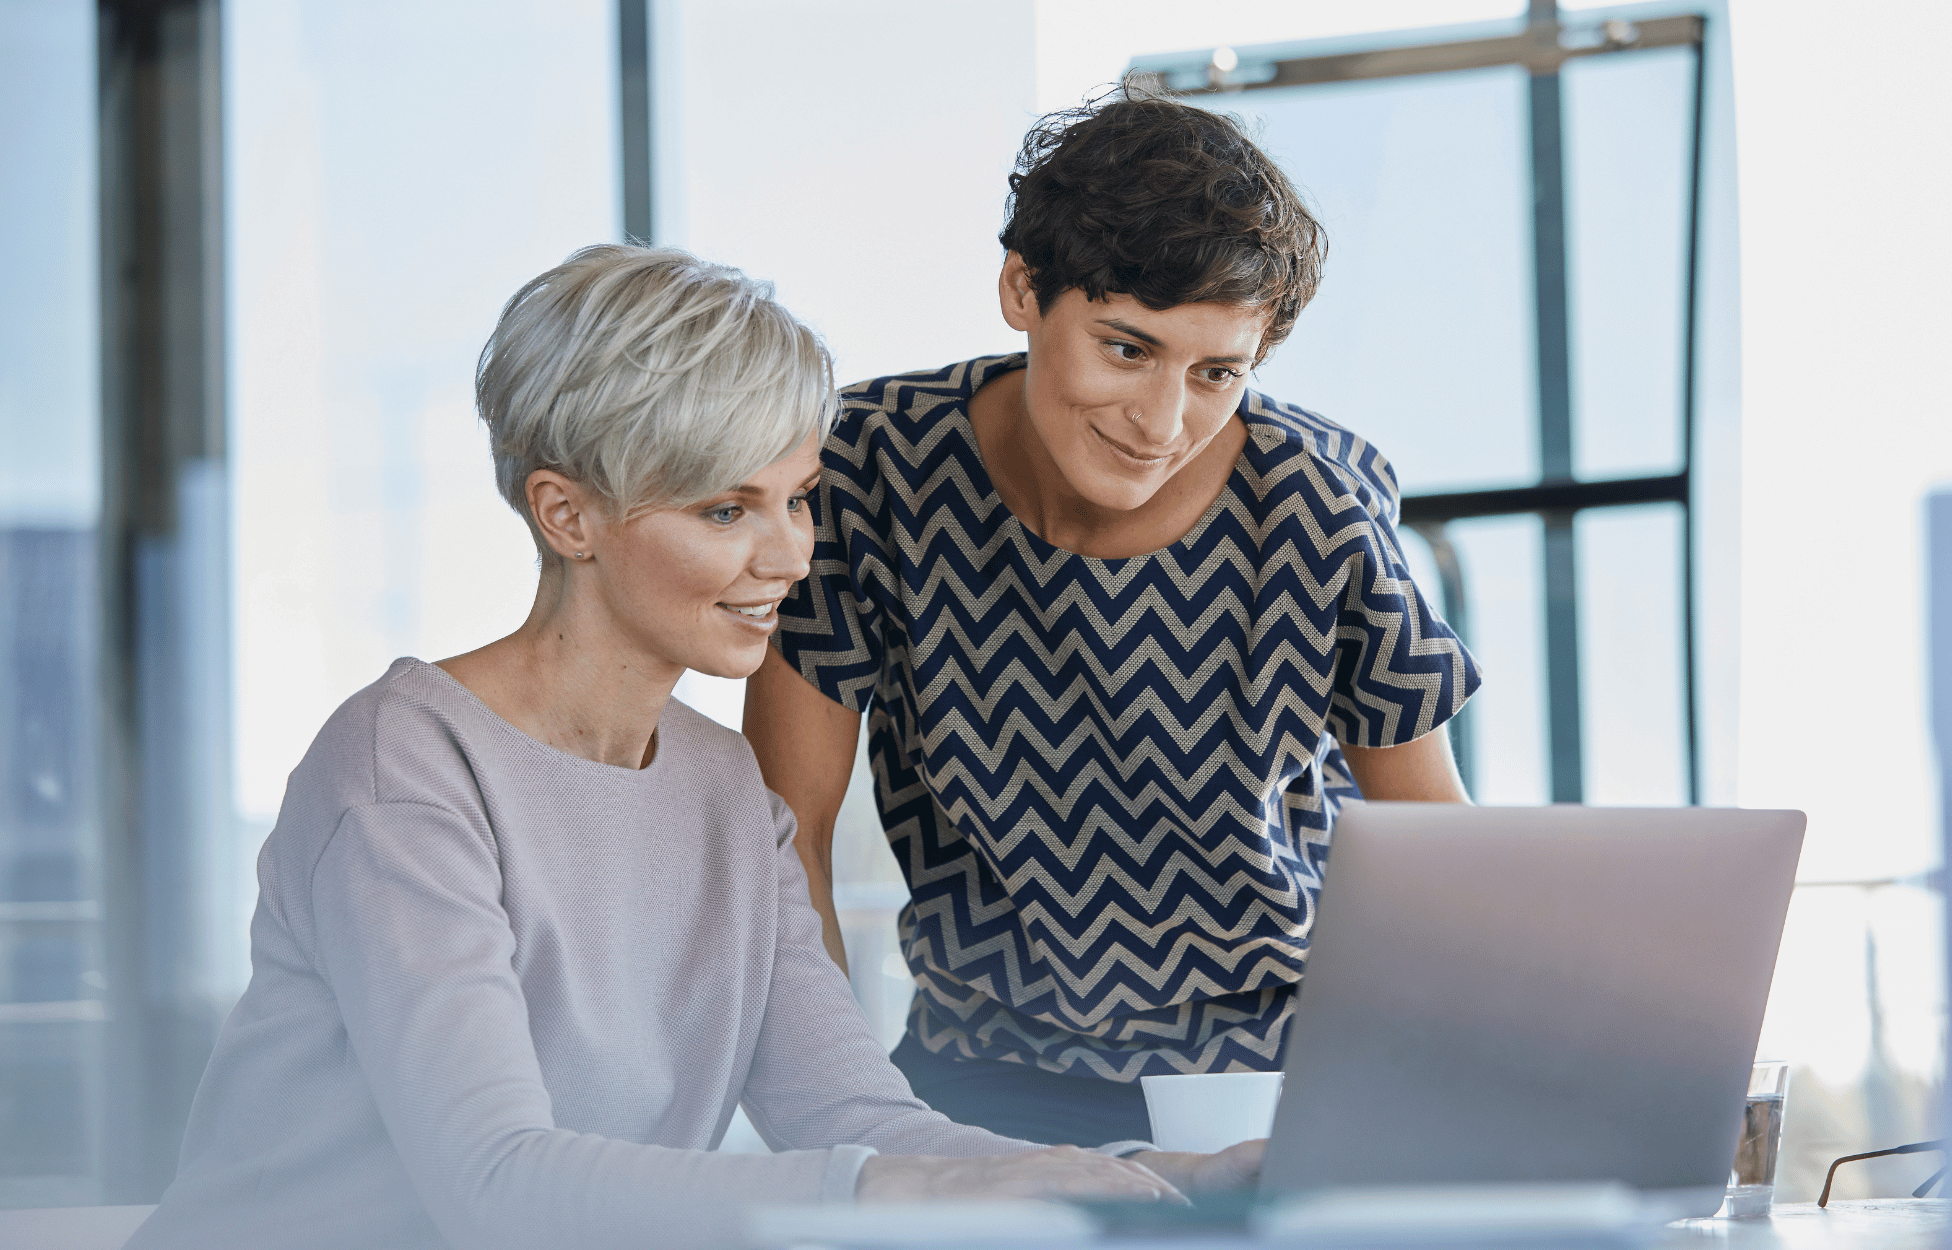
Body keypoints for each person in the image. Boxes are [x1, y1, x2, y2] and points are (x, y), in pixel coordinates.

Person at [125, 246, 1256, 1250]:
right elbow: (496, 1182)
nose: (788, 554)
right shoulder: (404, 770)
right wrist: (889, 1191)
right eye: (726, 511)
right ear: (567, 516)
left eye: (798, 499)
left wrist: (1161, 1176)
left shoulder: (723, 790)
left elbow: (861, 1122)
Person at [743, 88, 1482, 1150]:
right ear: (1022, 289)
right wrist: (839, 1123)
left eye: (1216, 372)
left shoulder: (1316, 499)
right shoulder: (870, 467)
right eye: (1126, 349)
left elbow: (1433, 851)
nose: (1161, 422)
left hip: (1281, 1075)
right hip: (980, 1079)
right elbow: (788, 833)